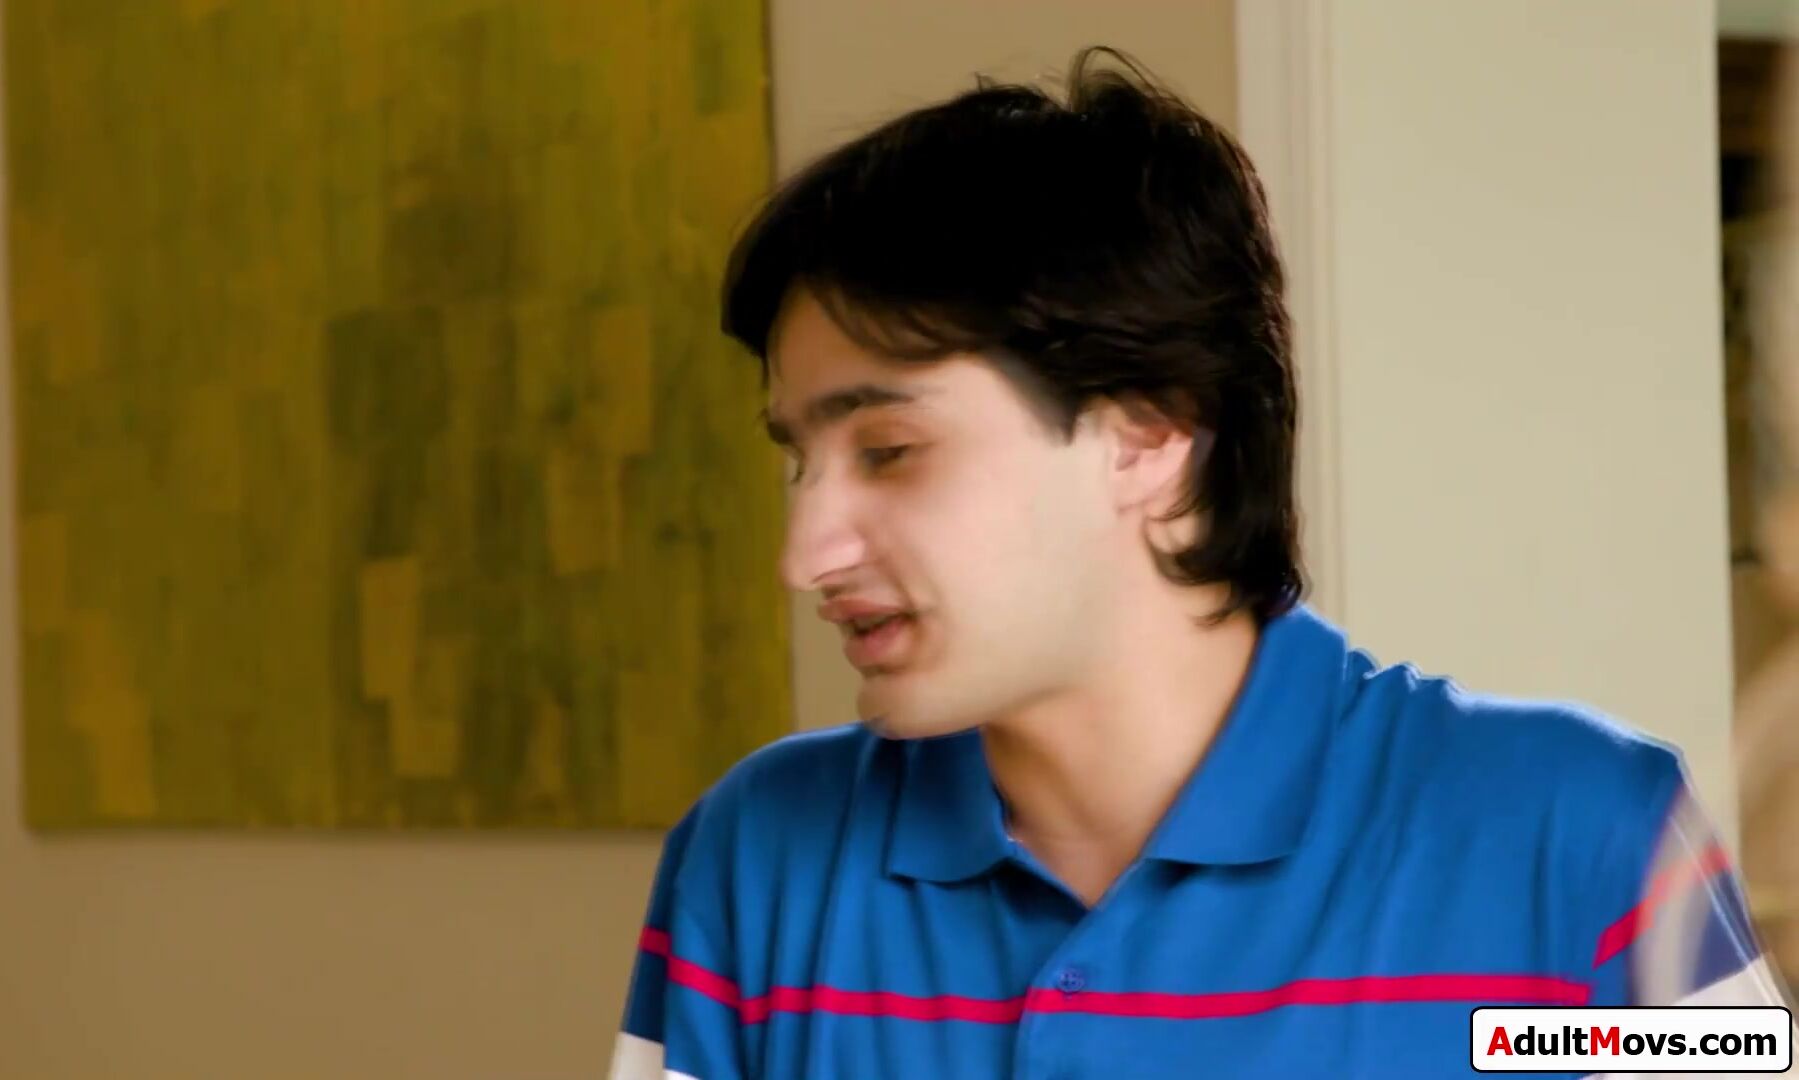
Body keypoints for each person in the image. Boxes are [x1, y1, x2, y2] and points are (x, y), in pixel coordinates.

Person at [610, 48, 1789, 1079]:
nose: (805, 554)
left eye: (888, 450)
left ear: (1150, 434)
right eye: (799, 461)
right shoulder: (757, 860)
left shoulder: (1584, 835)